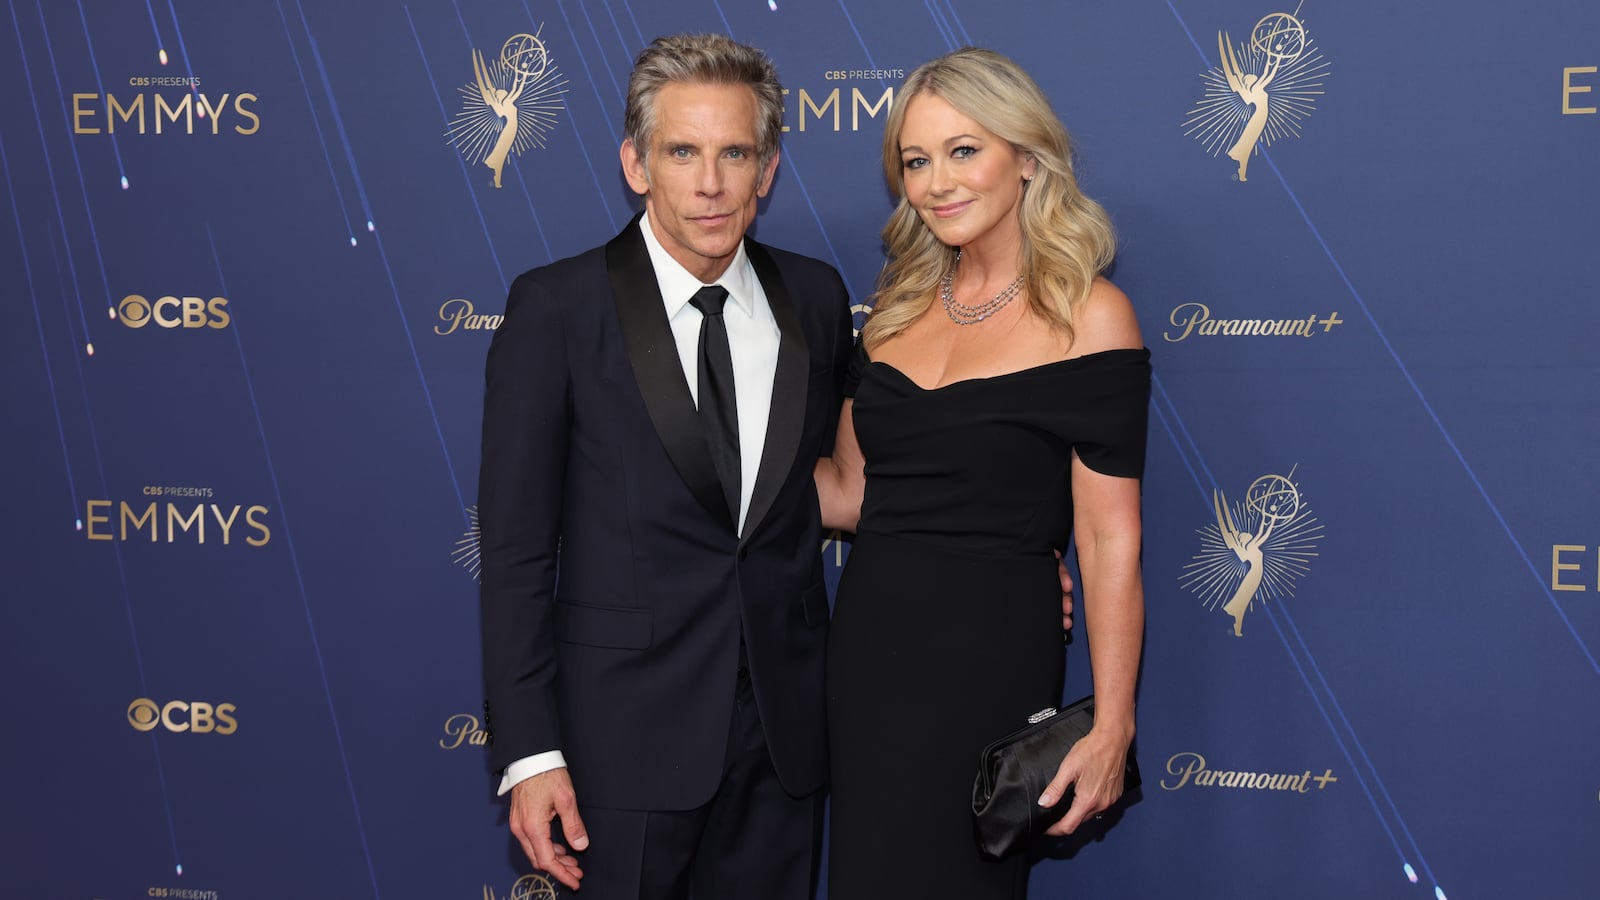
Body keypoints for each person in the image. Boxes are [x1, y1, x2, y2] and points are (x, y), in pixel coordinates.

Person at [476, 33, 853, 900]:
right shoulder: (558, 309)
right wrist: (530, 752)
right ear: (636, 164)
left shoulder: (818, 300)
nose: (711, 182)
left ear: (768, 169)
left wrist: (997, 558)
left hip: (785, 745)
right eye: (683, 151)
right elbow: (517, 553)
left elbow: (855, 479)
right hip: (618, 747)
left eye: (735, 153)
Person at [815, 47, 1149, 899]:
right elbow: (846, 493)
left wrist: (1113, 724)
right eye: (916, 161)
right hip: (871, 652)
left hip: (992, 655)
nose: (936, 182)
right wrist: (687, 462)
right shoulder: (891, 314)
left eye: (964, 151)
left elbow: (1109, 541)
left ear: (1027, 158)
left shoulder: (1091, 315)